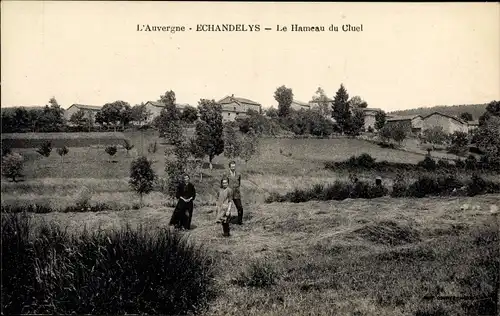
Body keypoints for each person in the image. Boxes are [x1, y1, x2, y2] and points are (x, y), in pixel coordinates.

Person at [227, 161, 244, 225]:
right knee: (227, 208)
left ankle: (240, 222)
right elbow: (224, 184)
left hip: (236, 193)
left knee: (240, 207)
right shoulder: (226, 174)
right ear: (229, 167)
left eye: (234, 166)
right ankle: (227, 222)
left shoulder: (238, 174)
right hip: (229, 193)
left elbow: (239, 183)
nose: (233, 168)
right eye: (231, 167)